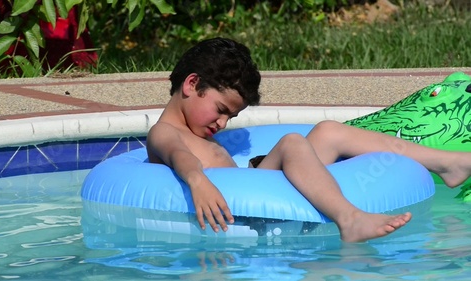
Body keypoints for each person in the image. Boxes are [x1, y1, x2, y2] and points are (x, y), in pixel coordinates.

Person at [146, 37, 471, 242]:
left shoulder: (197, 130)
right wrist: (197, 181)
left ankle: (448, 163)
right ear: (191, 84)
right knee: (291, 142)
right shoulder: (165, 132)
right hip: (246, 214)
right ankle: (350, 218)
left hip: (258, 189)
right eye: (220, 110)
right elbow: (179, 156)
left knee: (328, 131)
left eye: (230, 116)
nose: (222, 122)